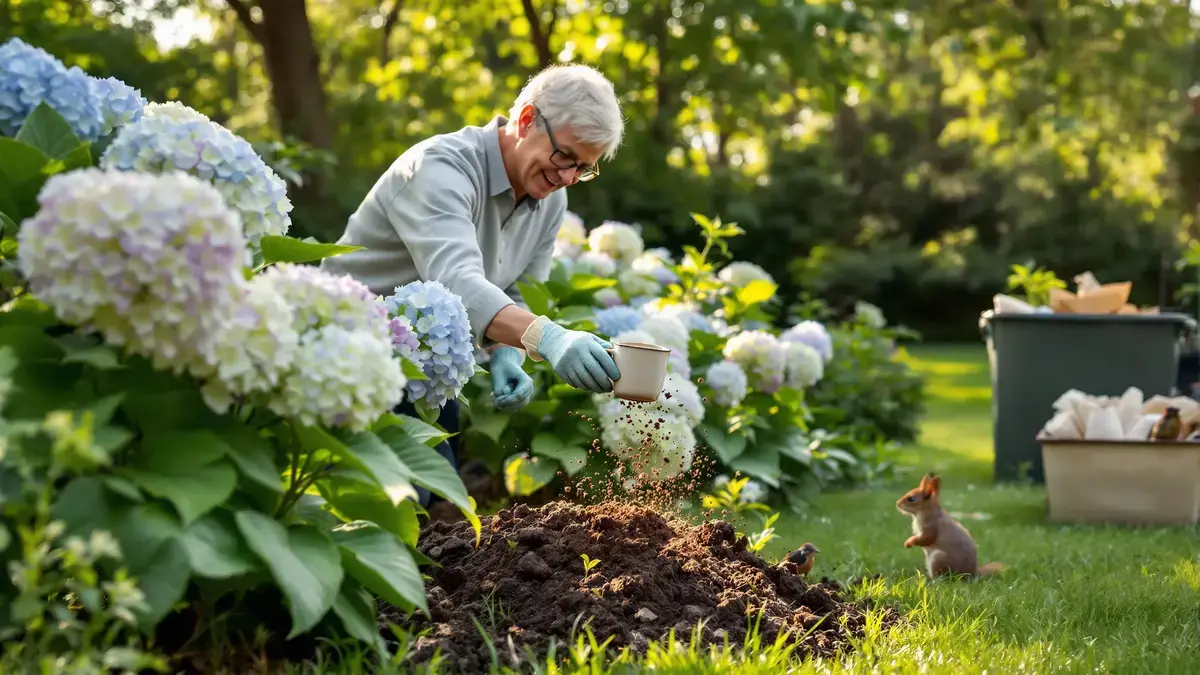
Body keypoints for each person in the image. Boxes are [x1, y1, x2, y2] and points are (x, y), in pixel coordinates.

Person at [321, 63, 625, 508]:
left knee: (438, 497)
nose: (567, 178)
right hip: (345, 358)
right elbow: (456, 281)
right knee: (391, 500)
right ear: (526, 121)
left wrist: (507, 356)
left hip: (425, 373)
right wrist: (549, 338)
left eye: (583, 169)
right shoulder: (439, 168)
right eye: (565, 158)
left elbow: (519, 291)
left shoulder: (550, 199)